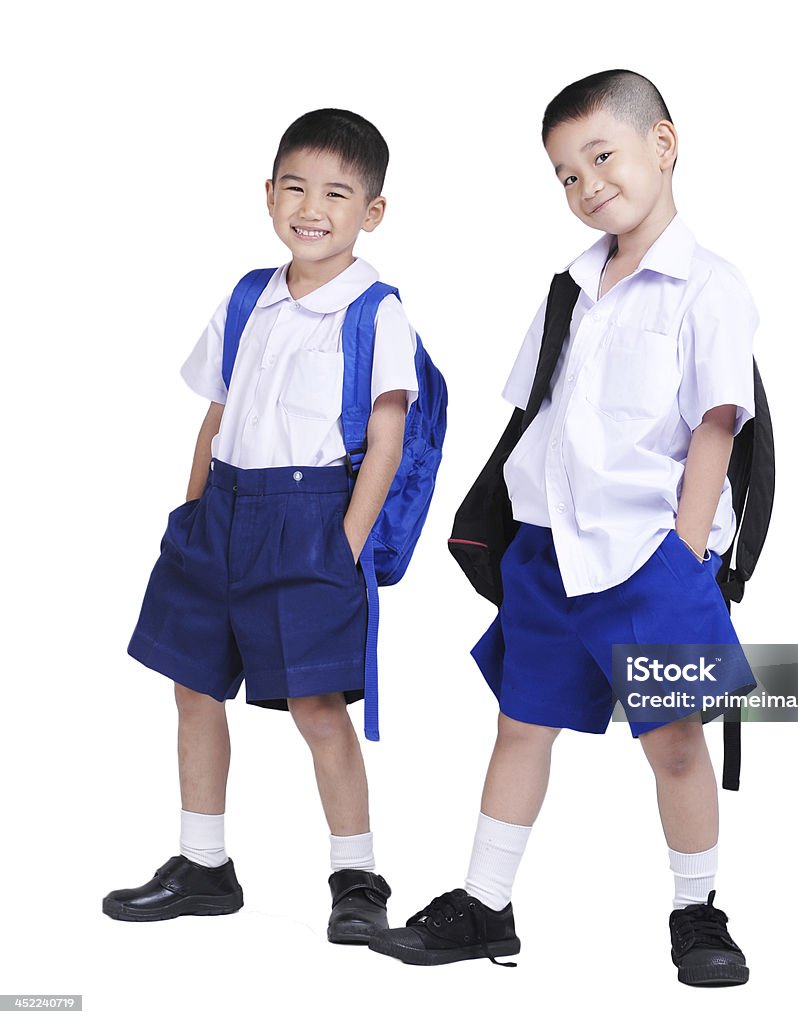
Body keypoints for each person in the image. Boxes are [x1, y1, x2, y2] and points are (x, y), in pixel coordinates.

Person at [369, 70, 759, 986]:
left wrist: (683, 553)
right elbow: (535, 411)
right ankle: (484, 904)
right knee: (521, 724)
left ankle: (697, 911)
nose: (586, 186)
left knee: (673, 742)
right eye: (564, 175)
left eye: (601, 156)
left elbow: (715, 425)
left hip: (647, 557)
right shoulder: (571, 288)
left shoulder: (707, 286)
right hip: (549, 552)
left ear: (663, 145)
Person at [102, 108, 418, 945]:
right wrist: (193, 511)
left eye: (337, 194)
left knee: (317, 704)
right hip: (222, 514)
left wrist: (344, 547)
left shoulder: (376, 311)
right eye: (296, 187)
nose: (311, 207)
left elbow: (386, 439)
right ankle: (204, 863)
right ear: (269, 193)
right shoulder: (249, 296)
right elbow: (216, 413)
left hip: (312, 519)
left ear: (372, 212)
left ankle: (356, 874)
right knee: (194, 683)